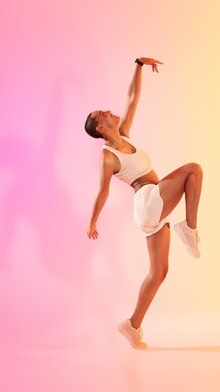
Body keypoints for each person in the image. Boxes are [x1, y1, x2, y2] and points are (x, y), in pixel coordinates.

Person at [84, 57, 203, 350]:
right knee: (193, 170)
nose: (110, 111)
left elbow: (132, 98)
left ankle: (132, 326)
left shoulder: (124, 135)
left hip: (152, 207)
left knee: (159, 272)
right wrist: (93, 221)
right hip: (148, 199)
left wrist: (138, 65)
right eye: (103, 113)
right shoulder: (108, 156)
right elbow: (103, 192)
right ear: (99, 127)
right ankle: (189, 227)